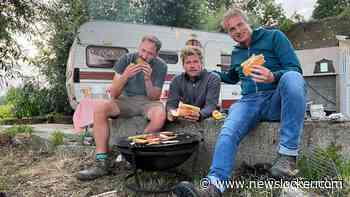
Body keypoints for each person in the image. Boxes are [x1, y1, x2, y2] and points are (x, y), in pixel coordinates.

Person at [174, 7, 306, 197]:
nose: (237, 31)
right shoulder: (236, 53)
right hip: (250, 101)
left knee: (293, 77)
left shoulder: (274, 37)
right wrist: (211, 73)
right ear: (228, 33)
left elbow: (294, 68)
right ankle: (213, 187)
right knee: (228, 131)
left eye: (240, 25)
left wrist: (272, 76)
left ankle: (287, 157)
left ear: (248, 23)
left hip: (276, 98)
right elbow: (233, 76)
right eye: (231, 29)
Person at [77, 35, 168, 181]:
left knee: (160, 115)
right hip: (125, 100)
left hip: (148, 102)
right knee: (100, 108)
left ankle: (134, 153)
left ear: (156, 54)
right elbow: (113, 93)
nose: (144, 56)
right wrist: (125, 76)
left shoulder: (161, 66)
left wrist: (147, 79)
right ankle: (102, 162)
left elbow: (155, 97)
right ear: (139, 47)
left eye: (150, 53)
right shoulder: (126, 59)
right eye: (142, 50)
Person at [166, 47, 220, 122]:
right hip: (186, 118)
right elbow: (171, 104)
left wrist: (200, 114)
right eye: (188, 62)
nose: (192, 66)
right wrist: (172, 113)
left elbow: (211, 106)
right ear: (183, 65)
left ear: (201, 63)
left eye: (195, 62)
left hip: (208, 119)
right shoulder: (176, 80)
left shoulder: (213, 78)